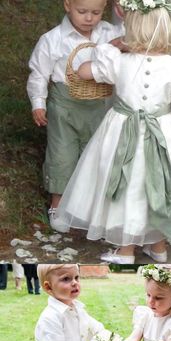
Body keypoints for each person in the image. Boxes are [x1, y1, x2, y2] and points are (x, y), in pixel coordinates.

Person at [54, 0, 171, 263]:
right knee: (163, 185)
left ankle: (126, 250)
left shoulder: (119, 62)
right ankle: (159, 247)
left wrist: (108, 48)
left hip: (123, 131)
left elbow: (82, 72)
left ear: (132, 29)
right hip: (165, 131)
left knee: (127, 185)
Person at [27, 0, 124, 231]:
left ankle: (90, 206)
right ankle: (58, 204)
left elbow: (131, 40)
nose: (89, 18)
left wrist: (125, 18)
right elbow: (39, 73)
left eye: (96, 12)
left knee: (96, 153)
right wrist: (38, 103)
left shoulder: (109, 31)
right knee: (62, 152)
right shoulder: (53, 39)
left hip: (99, 104)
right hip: (64, 104)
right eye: (82, 12)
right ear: (67, 5)